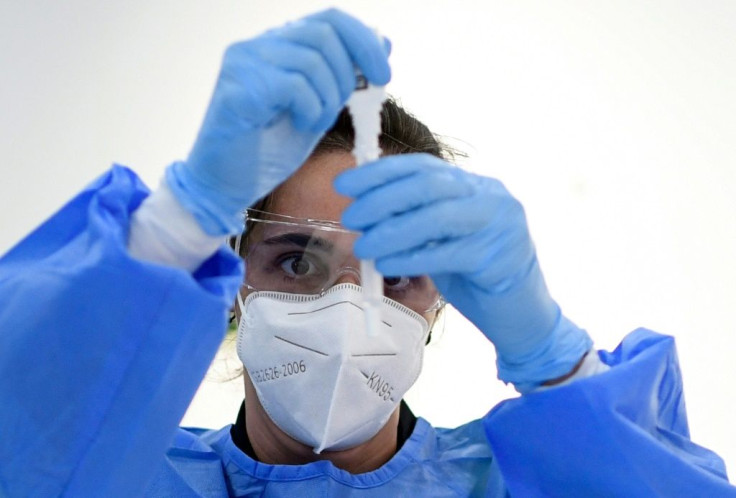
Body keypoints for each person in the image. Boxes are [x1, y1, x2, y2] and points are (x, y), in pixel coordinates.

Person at [0, 8, 733, 497]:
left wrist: (555, 360)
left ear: (440, 300)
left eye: (395, 274)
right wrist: (176, 223)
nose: (349, 309)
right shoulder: (116, 477)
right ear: (232, 282)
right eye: (296, 261)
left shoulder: (517, 486)